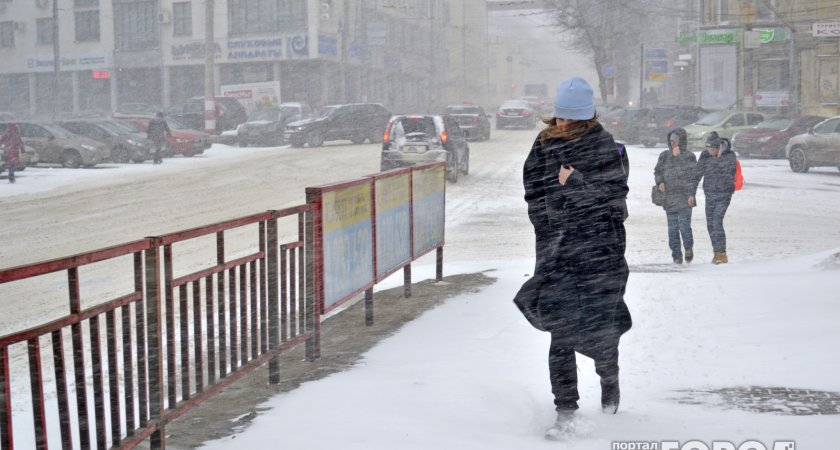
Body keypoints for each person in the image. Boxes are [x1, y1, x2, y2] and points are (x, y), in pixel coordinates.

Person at [516, 76, 632, 439]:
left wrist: (577, 186)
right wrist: (548, 225)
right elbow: (533, 192)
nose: (563, 124)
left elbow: (615, 201)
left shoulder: (603, 145)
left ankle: (609, 380)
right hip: (559, 255)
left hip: (599, 255)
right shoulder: (544, 144)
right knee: (560, 332)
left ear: (587, 117)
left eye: (572, 118)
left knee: (602, 331)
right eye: (560, 117)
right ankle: (565, 411)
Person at [689, 131, 737, 264]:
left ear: (719, 147)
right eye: (707, 148)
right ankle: (717, 253)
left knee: (717, 222)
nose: (709, 151)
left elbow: (727, 172)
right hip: (710, 195)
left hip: (724, 195)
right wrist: (691, 193)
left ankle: (722, 254)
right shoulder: (705, 155)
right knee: (710, 225)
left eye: (712, 148)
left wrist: (719, 157)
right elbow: (696, 174)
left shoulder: (729, 156)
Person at [654, 128, 697, 264]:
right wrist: (660, 181)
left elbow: (692, 175)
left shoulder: (689, 156)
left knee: (684, 227)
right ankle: (676, 255)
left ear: (681, 141)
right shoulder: (664, 155)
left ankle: (688, 248)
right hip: (669, 197)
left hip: (685, 197)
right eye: (671, 140)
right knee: (672, 230)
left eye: (675, 140)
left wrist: (678, 157)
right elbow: (658, 171)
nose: (672, 143)